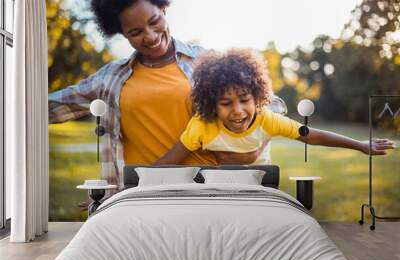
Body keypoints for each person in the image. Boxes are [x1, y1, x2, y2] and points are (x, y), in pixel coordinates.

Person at [48, 0, 271, 193]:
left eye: (154, 21)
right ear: (122, 33)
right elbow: (49, 107)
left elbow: (272, 105)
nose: (151, 36)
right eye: (135, 32)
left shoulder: (206, 61)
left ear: (163, 8)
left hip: (205, 187)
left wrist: (253, 150)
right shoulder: (110, 78)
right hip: (140, 193)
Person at [154, 48, 394, 165]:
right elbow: (169, 160)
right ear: (212, 105)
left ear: (256, 96)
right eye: (226, 103)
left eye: (244, 100)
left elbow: (312, 135)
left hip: (263, 180)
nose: (237, 110)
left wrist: (361, 145)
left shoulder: (267, 119)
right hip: (222, 184)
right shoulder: (201, 126)